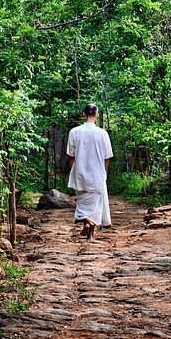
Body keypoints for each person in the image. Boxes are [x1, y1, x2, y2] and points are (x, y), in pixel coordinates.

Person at [67, 103, 113, 242]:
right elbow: (107, 157)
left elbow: (71, 156)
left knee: (82, 201)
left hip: (80, 172)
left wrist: (73, 171)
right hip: (97, 173)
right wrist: (104, 172)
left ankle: (85, 221)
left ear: (83, 114)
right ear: (97, 115)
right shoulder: (102, 133)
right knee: (96, 205)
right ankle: (91, 235)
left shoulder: (74, 132)